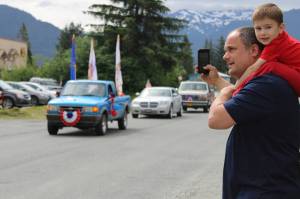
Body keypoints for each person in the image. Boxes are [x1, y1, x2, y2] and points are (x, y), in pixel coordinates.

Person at [202, 27, 300, 199]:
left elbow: (216, 120)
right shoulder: (263, 84)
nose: (225, 56)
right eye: (225, 51)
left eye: (231, 49)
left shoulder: (265, 86)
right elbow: (240, 97)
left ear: (254, 50)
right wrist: (217, 81)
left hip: (266, 191)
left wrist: (222, 94)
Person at [234, 3, 300, 96]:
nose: (263, 33)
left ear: (281, 28)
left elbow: (253, 68)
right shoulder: (282, 37)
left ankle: (240, 91)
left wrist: (236, 88)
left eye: (268, 27)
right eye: (258, 28)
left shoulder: (274, 45)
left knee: (270, 66)